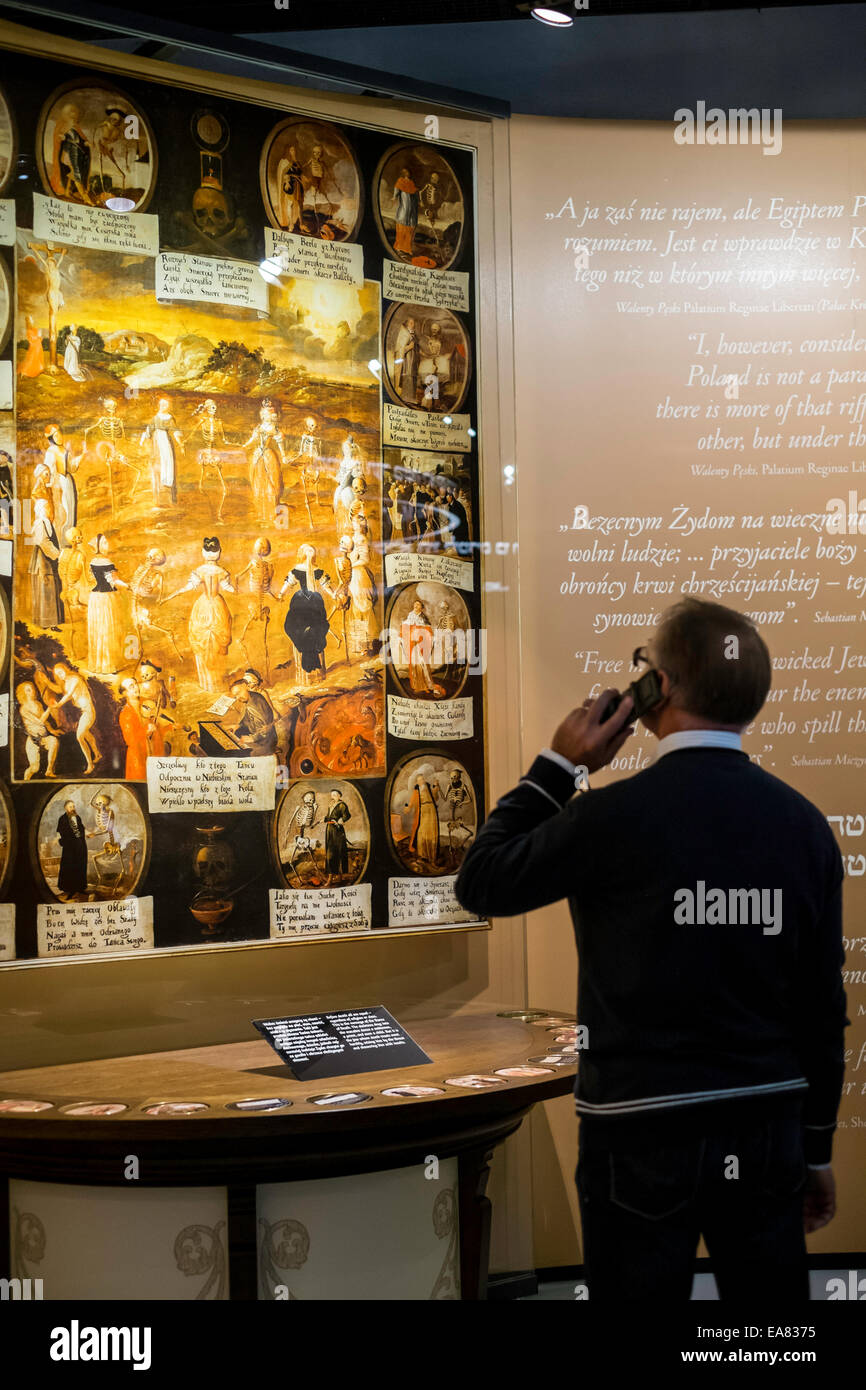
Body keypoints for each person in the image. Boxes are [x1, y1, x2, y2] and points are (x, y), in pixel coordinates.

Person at [455, 598, 847, 1304]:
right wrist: (815, 1148)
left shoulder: (607, 817)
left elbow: (482, 881)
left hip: (637, 1131)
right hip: (763, 1127)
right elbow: (823, 1008)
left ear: (654, 690)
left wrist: (559, 764)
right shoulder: (806, 828)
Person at [163, 537, 235, 693]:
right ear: (219, 552)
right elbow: (228, 588)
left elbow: (190, 586)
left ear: (203, 552)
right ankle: (215, 682)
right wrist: (238, 588)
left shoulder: (200, 571)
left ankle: (208, 683)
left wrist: (175, 593)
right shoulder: (222, 572)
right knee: (216, 643)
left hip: (203, 607)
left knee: (205, 641)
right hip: (217, 606)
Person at [279, 543, 332, 684]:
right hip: (300, 605)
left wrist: (334, 595)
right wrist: (281, 594)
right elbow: (288, 583)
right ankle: (305, 676)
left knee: (317, 630)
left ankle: (318, 673)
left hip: (315, 603)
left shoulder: (317, 570)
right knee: (297, 629)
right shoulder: (297, 570)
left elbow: (325, 585)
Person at [86, 533, 128, 675]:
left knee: (99, 630)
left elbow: (92, 579)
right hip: (105, 599)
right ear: (97, 546)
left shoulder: (92, 562)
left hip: (95, 599)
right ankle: (108, 665)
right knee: (107, 629)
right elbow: (114, 581)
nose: (107, 545)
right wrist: (128, 585)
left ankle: (98, 663)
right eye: (104, 543)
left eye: (107, 542)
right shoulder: (107, 562)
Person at [53, 662, 99, 774]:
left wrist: (58, 704)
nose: (60, 675)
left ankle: (90, 765)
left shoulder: (74, 679)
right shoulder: (66, 683)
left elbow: (69, 695)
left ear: (65, 669)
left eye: (60, 672)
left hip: (88, 710)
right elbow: (70, 697)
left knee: (80, 737)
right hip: (83, 711)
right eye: (57, 675)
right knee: (86, 733)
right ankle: (97, 754)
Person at [118, 676, 164, 779]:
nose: (136, 688)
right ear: (125, 693)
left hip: (153, 751)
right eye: (131, 686)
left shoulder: (146, 703)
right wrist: (147, 730)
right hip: (138, 757)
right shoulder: (126, 714)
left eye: (136, 684)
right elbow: (131, 740)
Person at [140, 398, 183, 506]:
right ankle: (157, 494)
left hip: (166, 442)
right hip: (156, 443)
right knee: (157, 465)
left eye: (165, 405)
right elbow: (149, 429)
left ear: (167, 406)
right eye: (161, 405)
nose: (163, 407)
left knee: (168, 463)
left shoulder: (170, 418)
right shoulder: (155, 418)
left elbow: (175, 431)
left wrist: (180, 443)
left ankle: (170, 492)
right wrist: (142, 440)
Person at [28, 499, 63, 629]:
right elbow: (44, 542)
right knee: (45, 590)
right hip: (43, 559)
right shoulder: (41, 523)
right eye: (47, 508)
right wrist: (58, 554)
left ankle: (50, 622)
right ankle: (46, 622)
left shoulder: (45, 522)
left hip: (47, 558)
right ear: (42, 509)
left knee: (49, 591)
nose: (49, 510)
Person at [16, 681, 59, 780]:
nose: (31, 691)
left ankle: (49, 770)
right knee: (35, 768)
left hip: (43, 737)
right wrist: (49, 708)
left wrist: (52, 730)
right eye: (28, 690)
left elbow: (46, 722)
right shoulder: (23, 709)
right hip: (33, 739)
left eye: (32, 689)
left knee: (54, 741)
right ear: (24, 693)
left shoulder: (38, 704)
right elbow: (40, 722)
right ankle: (26, 780)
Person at [55, 799, 89, 898]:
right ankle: (70, 890)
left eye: (73, 806)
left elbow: (82, 829)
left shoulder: (77, 817)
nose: (73, 808)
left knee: (81, 866)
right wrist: (61, 842)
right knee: (70, 867)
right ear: (66, 808)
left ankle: (80, 888)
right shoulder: (62, 819)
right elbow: (59, 832)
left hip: (80, 846)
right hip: (69, 848)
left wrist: (88, 834)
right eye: (70, 807)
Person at [324, 787, 351, 881]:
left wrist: (341, 820)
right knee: (329, 852)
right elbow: (328, 817)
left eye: (335, 795)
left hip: (338, 831)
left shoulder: (342, 805)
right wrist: (323, 819)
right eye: (332, 795)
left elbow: (347, 815)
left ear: (339, 796)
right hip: (329, 829)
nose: (333, 796)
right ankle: (332, 876)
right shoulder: (330, 804)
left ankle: (338, 877)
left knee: (338, 852)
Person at [393, 166, 418, 256]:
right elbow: (396, 190)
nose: (407, 173)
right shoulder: (400, 181)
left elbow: (415, 193)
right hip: (404, 209)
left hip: (411, 210)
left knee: (410, 227)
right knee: (401, 226)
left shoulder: (411, 183)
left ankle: (407, 248)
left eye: (408, 172)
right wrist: (394, 196)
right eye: (405, 172)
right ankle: (399, 247)